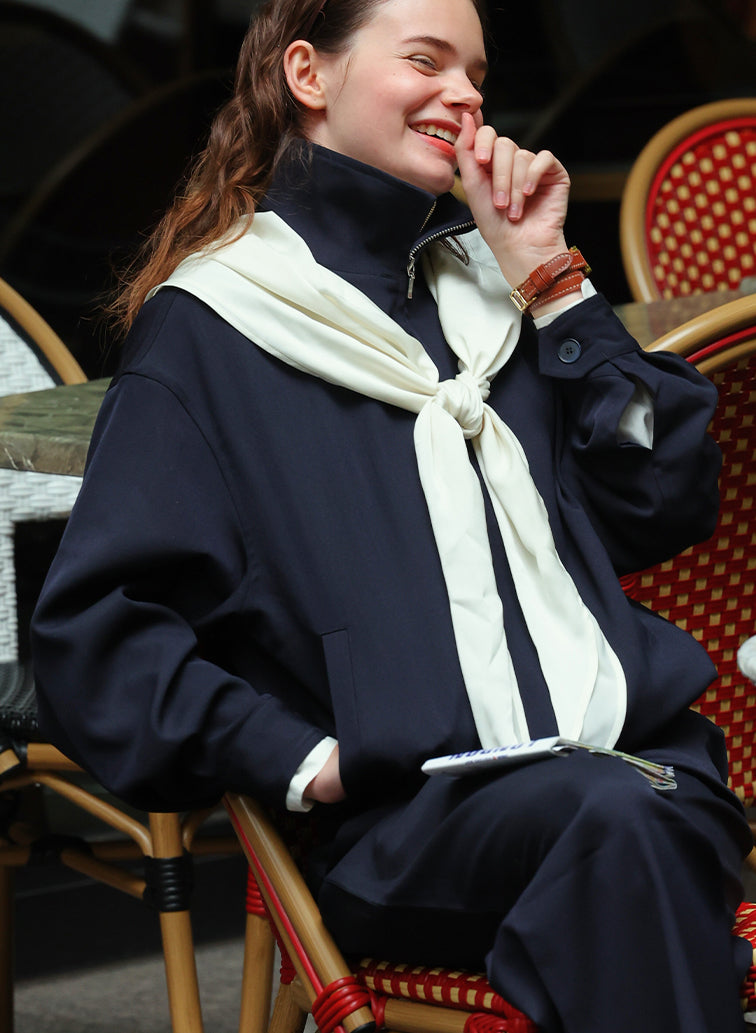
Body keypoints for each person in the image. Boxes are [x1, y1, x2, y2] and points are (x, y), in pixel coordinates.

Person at [30, 1, 753, 1030]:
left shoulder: (493, 294)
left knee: (637, 828)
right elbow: (97, 640)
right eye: (426, 60)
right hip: (406, 827)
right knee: (628, 842)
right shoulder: (216, 326)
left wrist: (551, 279)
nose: (463, 95)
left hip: (631, 776)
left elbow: (660, 499)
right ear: (308, 76)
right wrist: (303, 761)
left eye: (477, 73)